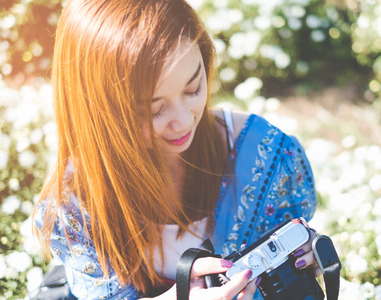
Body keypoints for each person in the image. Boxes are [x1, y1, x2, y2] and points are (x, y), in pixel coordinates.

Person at [33, 0, 318, 299]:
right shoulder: (74, 204)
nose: (182, 122)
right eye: (152, 109)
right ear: (97, 111)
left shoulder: (267, 156)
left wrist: (306, 258)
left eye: (193, 88)